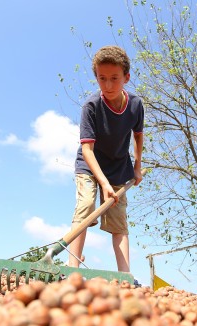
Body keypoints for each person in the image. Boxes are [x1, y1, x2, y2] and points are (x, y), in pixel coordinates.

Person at [68, 45, 144, 273]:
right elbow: (88, 150)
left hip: (119, 166)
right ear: (96, 78)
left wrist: (137, 167)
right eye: (102, 79)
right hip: (90, 165)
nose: (108, 85)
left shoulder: (135, 105)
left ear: (126, 78)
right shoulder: (91, 106)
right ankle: (72, 269)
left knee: (118, 221)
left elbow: (138, 136)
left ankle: (125, 275)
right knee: (85, 206)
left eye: (114, 78)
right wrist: (103, 183)